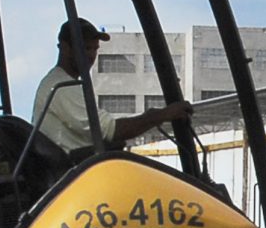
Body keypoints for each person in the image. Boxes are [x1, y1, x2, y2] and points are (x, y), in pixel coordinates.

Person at [27, 19, 193, 166]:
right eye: (85, 48)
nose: (91, 55)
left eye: (94, 49)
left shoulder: (65, 84)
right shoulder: (62, 86)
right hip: (75, 174)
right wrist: (162, 114)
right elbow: (110, 131)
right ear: (64, 48)